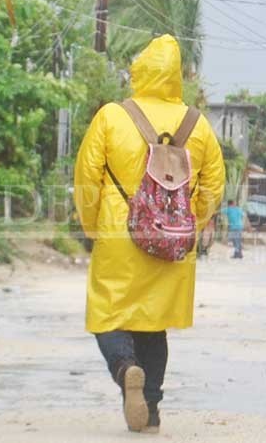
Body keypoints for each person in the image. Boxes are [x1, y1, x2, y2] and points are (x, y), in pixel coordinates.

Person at [73, 34, 225, 434]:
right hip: (173, 242)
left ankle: (126, 370)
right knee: (153, 325)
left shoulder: (111, 115)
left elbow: (87, 176)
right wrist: (189, 224)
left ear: (139, 71)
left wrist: (92, 226)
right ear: (177, 76)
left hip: (119, 235)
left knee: (107, 315)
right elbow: (214, 186)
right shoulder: (198, 123)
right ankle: (152, 411)